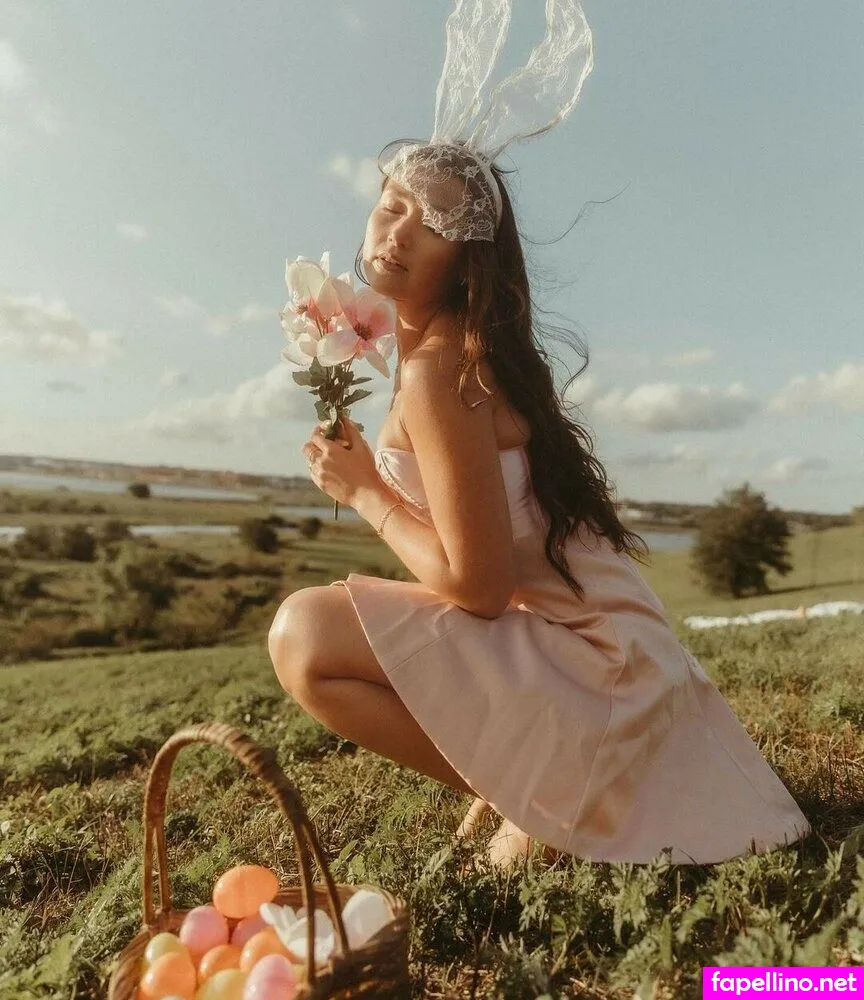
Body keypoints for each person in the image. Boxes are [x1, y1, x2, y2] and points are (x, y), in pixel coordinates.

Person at [267, 0, 811, 869]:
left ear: (467, 258)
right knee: (340, 624)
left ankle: (538, 795)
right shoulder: (461, 357)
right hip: (625, 673)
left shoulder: (440, 371)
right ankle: (530, 790)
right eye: (391, 204)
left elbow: (479, 589)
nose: (397, 232)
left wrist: (365, 490)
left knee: (303, 634)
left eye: (432, 224)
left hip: (600, 682)